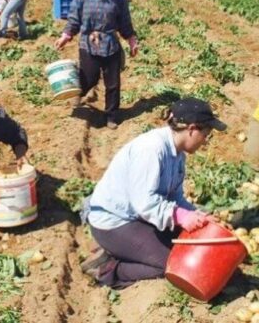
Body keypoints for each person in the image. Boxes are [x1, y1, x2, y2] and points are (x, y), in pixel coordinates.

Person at [79, 98, 226, 289]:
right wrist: (180, 215)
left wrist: (196, 214)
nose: (205, 141)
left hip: (135, 217)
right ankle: (108, 270)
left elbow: (175, 197)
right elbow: (144, 203)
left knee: (183, 243)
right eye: (205, 135)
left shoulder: (177, 153)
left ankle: (123, 250)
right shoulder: (152, 150)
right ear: (191, 129)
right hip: (113, 222)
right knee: (172, 265)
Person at [54, 0, 139, 130]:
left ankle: (111, 115)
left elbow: (124, 19)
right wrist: (66, 36)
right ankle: (79, 92)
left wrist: (131, 39)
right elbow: (74, 18)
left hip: (110, 43)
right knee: (89, 77)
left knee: (113, 83)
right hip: (88, 43)